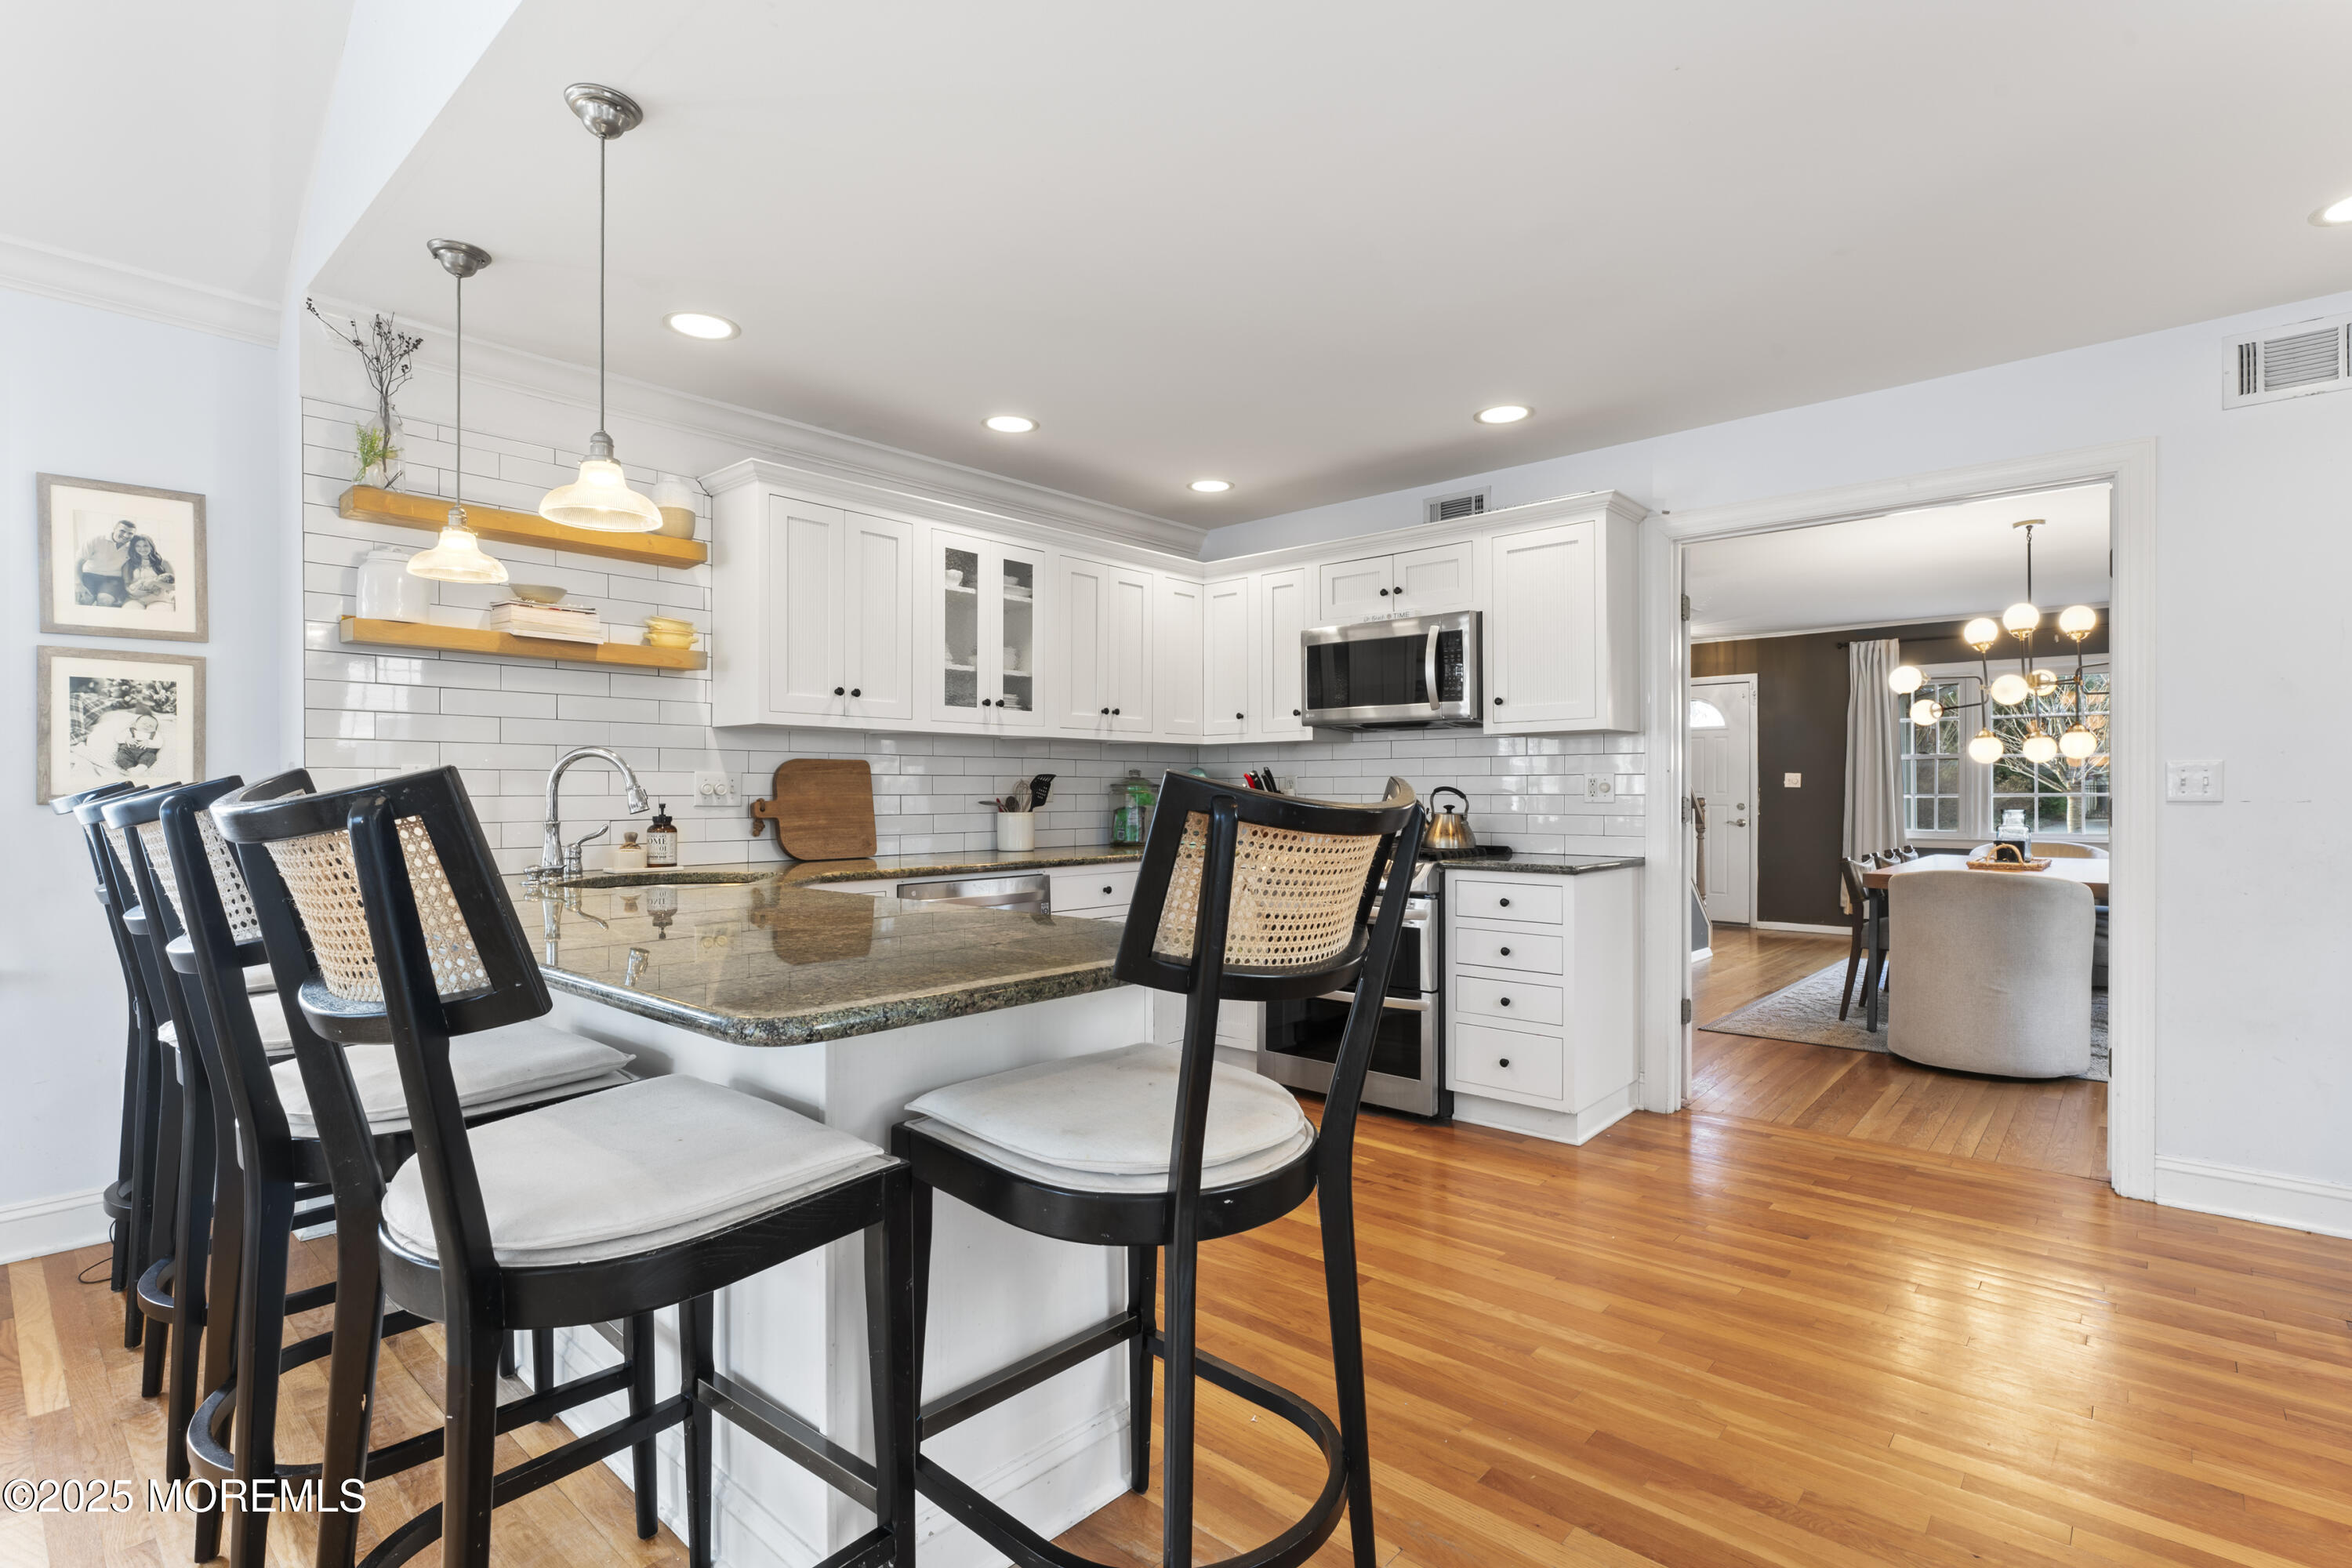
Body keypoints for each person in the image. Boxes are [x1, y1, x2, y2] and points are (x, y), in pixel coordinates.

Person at [76, 520, 138, 606]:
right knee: (85, 600)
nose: (126, 535)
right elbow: (78, 562)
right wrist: (78, 584)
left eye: (130, 533)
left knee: (105, 601)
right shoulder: (96, 540)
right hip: (89, 575)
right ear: (115, 529)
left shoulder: (133, 547)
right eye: (122, 531)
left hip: (112, 579)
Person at [122, 535, 176, 611]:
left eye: (145, 546)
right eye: (138, 546)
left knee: (156, 612)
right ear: (134, 548)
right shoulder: (128, 564)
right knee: (131, 611)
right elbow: (127, 584)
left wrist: (154, 582)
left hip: (159, 600)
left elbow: (174, 587)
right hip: (136, 599)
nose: (142, 549)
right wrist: (133, 592)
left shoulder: (164, 563)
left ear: (151, 546)